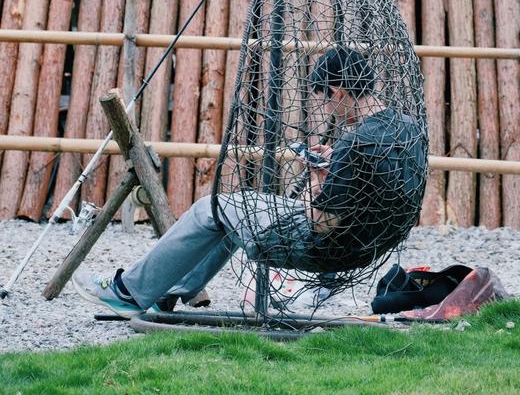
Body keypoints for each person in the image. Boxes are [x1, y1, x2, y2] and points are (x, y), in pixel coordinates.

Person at [72, 47, 426, 318]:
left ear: (337, 92)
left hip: (327, 248)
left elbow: (321, 225)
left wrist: (318, 181)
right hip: (368, 243)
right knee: (236, 209)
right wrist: (332, 172)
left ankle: (127, 292)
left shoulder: (354, 143)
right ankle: (168, 288)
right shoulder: (406, 128)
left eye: (326, 101)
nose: (329, 112)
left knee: (212, 209)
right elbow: (370, 189)